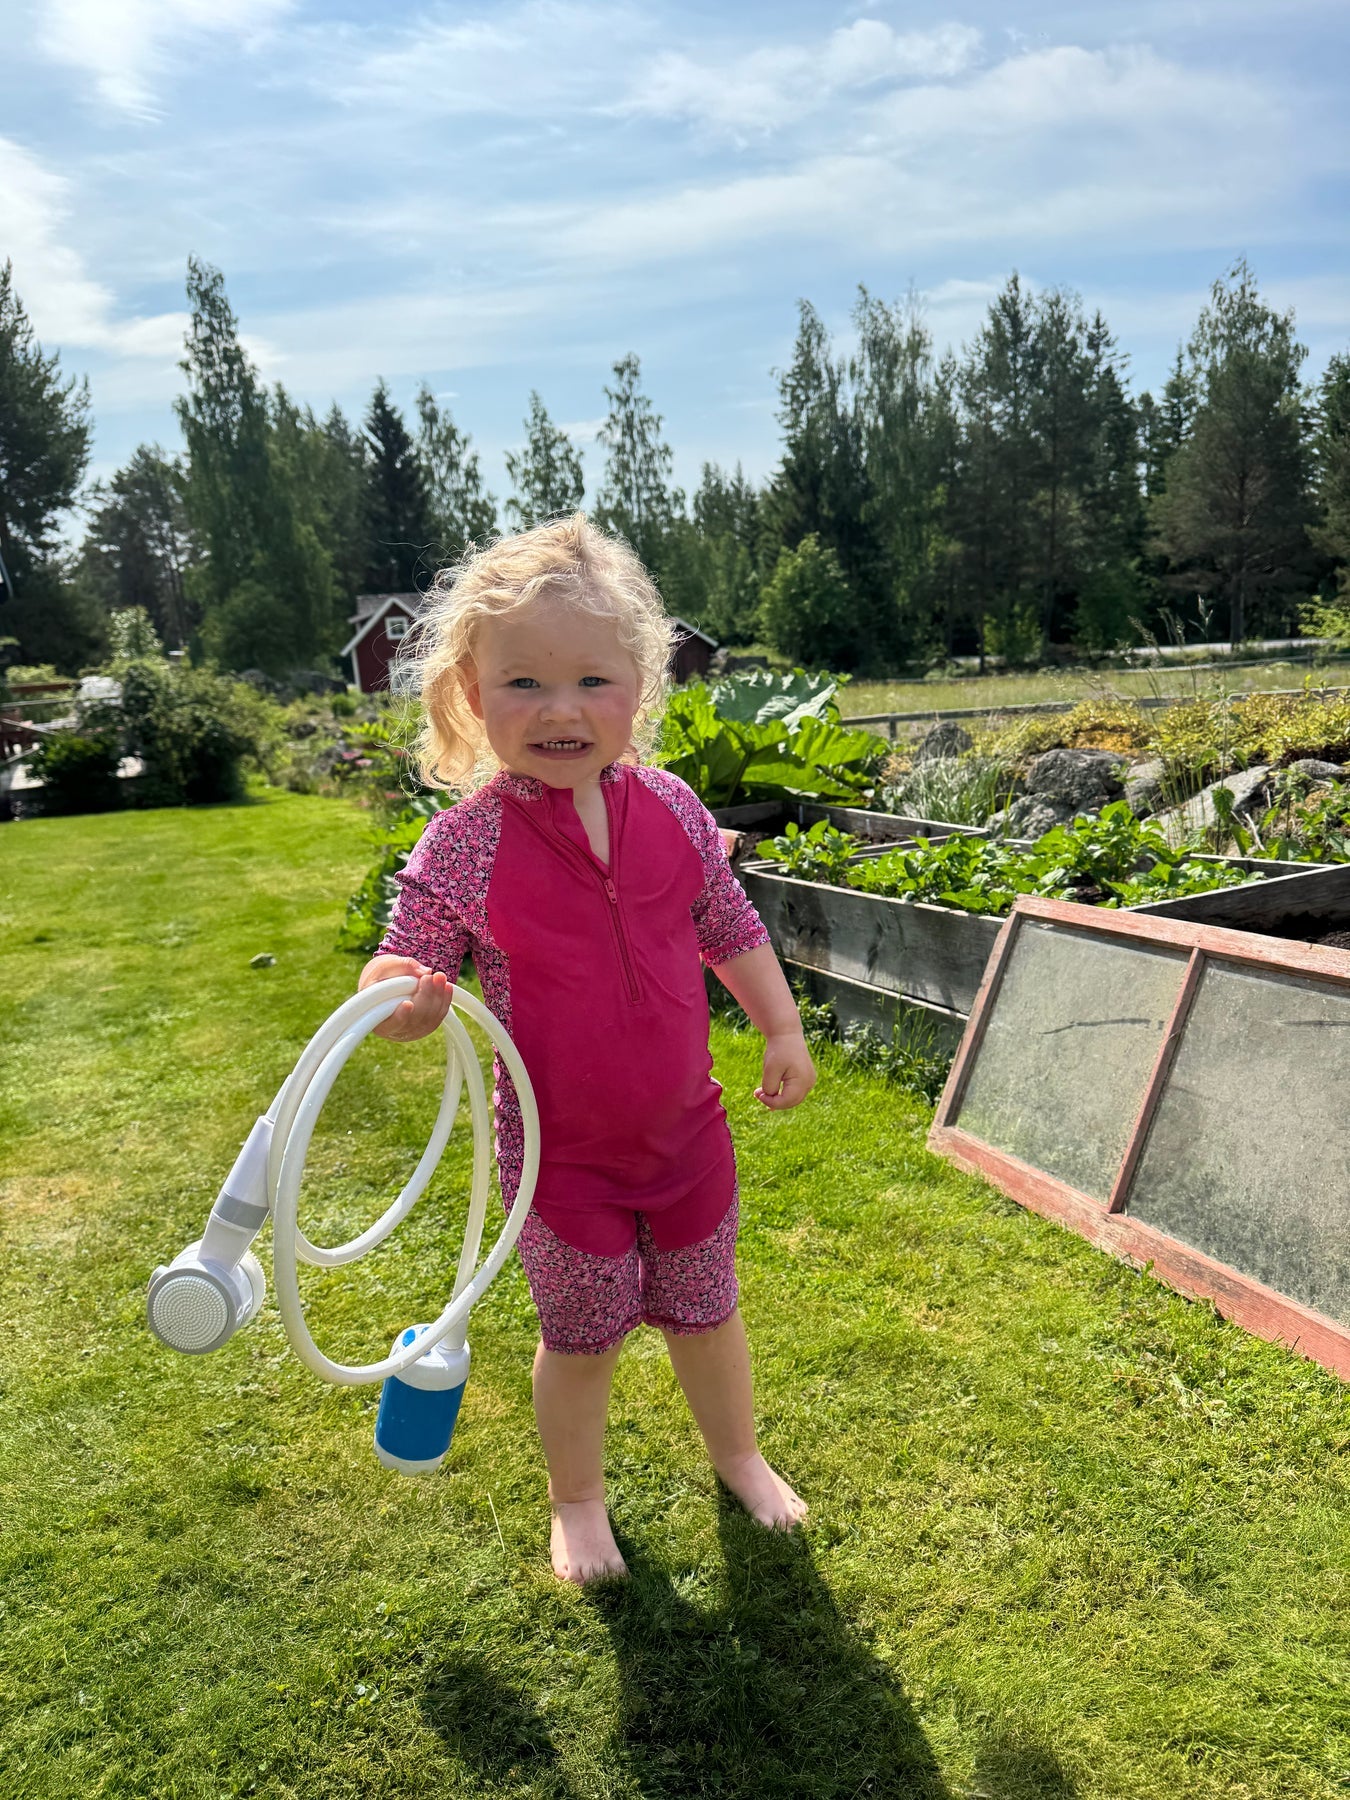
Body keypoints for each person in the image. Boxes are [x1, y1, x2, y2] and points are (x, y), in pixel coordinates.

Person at [358, 514, 817, 1584]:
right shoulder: (466, 843)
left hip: (687, 1138)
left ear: (639, 688)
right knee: (583, 1336)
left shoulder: (674, 809)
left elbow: (725, 923)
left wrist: (782, 1025)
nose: (560, 709)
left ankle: (740, 1457)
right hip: (559, 1162)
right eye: (523, 683)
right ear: (472, 693)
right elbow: (407, 950)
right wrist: (399, 999)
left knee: (707, 1312)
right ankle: (576, 1503)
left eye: (592, 682)